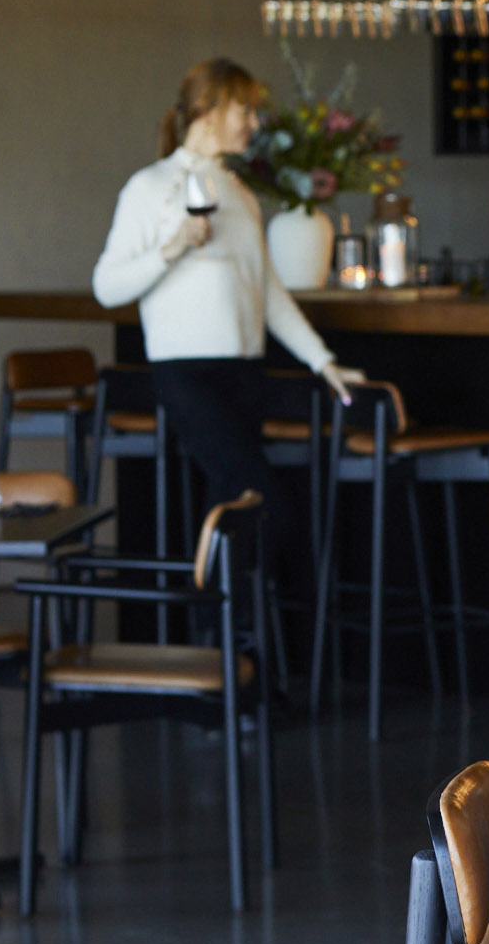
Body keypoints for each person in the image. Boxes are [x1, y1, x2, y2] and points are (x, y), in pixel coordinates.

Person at [92, 59, 359, 588]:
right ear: (209, 111)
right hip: (185, 376)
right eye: (246, 111)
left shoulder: (240, 195)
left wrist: (323, 362)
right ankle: (225, 623)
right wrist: (172, 249)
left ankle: (225, 632)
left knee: (233, 508)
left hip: (245, 374)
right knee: (264, 505)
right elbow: (107, 287)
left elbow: (269, 295)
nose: (254, 125)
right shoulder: (150, 187)